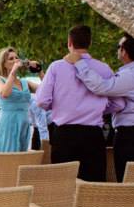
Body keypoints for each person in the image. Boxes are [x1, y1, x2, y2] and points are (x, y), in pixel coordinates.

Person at [66, 34, 134, 181]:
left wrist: (80, 64)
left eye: (119, 47)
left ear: (124, 52)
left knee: (129, 184)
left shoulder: (130, 75)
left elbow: (101, 87)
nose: (117, 50)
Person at [36, 25, 124, 181]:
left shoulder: (56, 67)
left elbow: (42, 101)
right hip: (93, 135)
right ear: (89, 43)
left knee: (63, 185)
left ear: (69, 43)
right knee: (92, 186)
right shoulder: (103, 69)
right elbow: (119, 104)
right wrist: (98, 108)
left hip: (64, 135)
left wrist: (59, 106)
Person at [0, 47, 41, 152]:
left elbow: (46, 90)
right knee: (8, 158)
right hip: (8, 125)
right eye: (11, 59)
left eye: (16, 58)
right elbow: (5, 93)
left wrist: (39, 70)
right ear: (4, 64)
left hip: (23, 126)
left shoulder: (24, 82)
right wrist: (13, 71)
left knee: (20, 158)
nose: (15, 60)